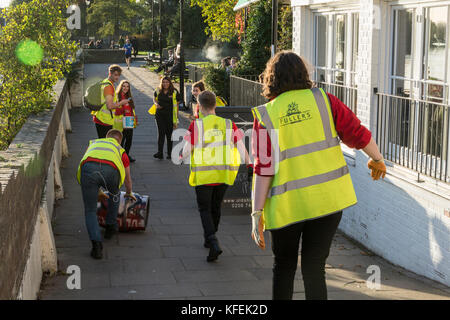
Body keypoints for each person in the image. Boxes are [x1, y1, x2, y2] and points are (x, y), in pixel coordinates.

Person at [250, 51, 387, 300]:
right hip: (327, 203)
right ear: (304, 74)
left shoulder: (267, 114)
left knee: (284, 267)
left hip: (286, 207)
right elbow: (357, 132)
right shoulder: (326, 101)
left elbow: (263, 168)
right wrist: (377, 158)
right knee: (315, 268)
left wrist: (256, 212)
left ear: (271, 78)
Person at [180, 91, 250, 262]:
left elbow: (186, 150)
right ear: (215, 105)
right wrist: (249, 164)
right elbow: (242, 148)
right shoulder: (228, 124)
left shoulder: (197, 126)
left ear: (199, 106)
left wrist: (183, 155)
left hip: (204, 176)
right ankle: (211, 237)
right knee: (216, 207)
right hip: (223, 174)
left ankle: (212, 240)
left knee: (204, 209)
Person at [77, 129, 136, 259]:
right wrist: (129, 192)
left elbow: (91, 162)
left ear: (107, 137)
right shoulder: (120, 150)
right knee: (115, 194)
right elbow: (127, 178)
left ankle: (96, 245)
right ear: (119, 141)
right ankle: (110, 226)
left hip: (88, 170)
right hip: (111, 172)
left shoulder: (94, 143)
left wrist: (96, 190)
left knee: (90, 210)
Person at [92, 64, 129, 139]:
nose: (117, 77)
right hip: (104, 120)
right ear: (110, 74)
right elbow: (110, 106)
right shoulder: (109, 87)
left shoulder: (105, 82)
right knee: (105, 145)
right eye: (115, 75)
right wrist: (121, 103)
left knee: (103, 144)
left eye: (119, 75)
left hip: (101, 117)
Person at [153, 76, 181, 160]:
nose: (165, 84)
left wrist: (176, 119)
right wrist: (156, 104)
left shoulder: (174, 91)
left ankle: (169, 153)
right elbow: (154, 98)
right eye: (163, 82)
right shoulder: (158, 90)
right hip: (159, 115)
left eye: (167, 82)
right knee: (161, 133)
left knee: (169, 135)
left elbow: (177, 104)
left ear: (170, 83)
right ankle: (160, 153)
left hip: (170, 116)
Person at [115, 80, 137, 163]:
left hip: (129, 120)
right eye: (124, 86)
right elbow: (115, 109)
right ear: (121, 87)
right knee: (121, 140)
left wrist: (134, 119)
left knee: (129, 139)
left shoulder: (129, 96)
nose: (125, 88)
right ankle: (120, 156)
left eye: (127, 86)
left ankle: (126, 155)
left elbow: (132, 109)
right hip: (121, 121)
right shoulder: (117, 96)